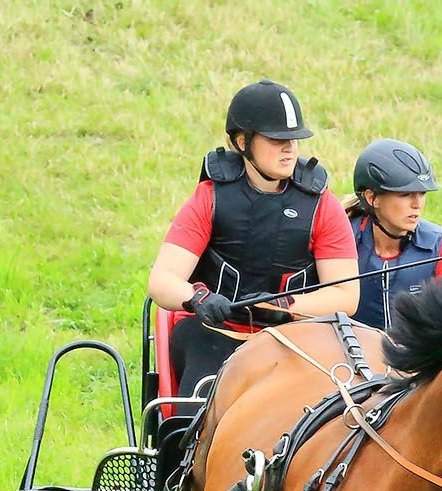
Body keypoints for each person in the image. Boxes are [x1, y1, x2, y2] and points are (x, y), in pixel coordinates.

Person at [146, 80, 358, 401]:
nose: (290, 149)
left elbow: (346, 294)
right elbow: (162, 280)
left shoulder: (323, 205)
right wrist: (198, 299)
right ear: (243, 142)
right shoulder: (209, 197)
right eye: (277, 140)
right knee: (194, 416)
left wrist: (286, 306)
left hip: (292, 339)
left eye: (294, 140)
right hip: (214, 334)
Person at [345, 139, 442, 331]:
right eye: (406, 194)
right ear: (371, 197)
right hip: (348, 356)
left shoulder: (438, 245)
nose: (417, 204)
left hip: (416, 357)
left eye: (422, 193)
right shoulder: (342, 239)